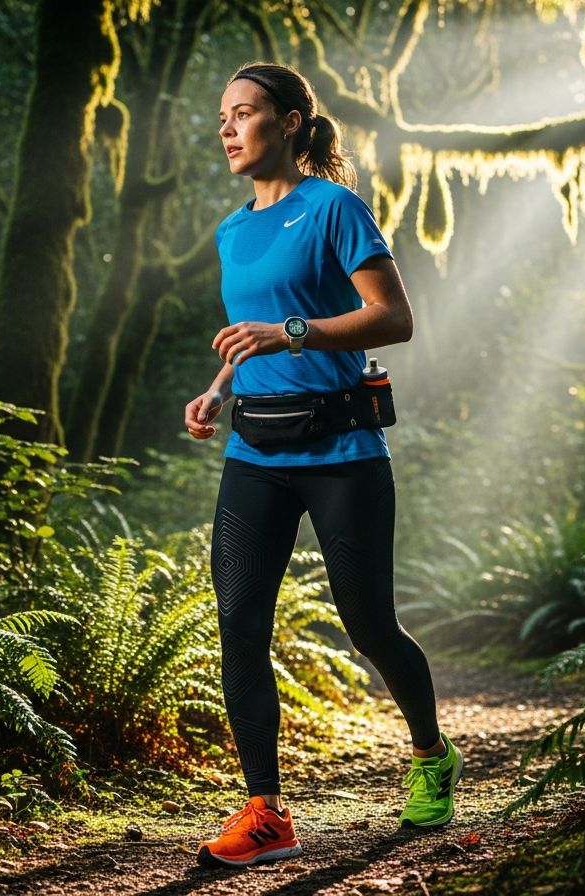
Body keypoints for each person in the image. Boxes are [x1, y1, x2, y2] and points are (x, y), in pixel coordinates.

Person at [184, 62, 462, 869]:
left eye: (246, 113)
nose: (230, 128)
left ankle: (432, 755)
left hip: (342, 452)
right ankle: (266, 810)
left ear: (293, 123)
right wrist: (216, 387)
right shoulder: (233, 232)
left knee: (369, 623)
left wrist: (292, 333)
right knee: (239, 620)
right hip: (255, 450)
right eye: (224, 117)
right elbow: (251, 333)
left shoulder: (335, 208)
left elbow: (393, 318)